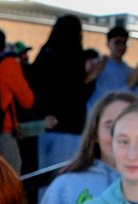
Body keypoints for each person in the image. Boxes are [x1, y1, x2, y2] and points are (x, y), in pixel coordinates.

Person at [34, 90, 138, 204]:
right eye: (111, 126)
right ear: (95, 134)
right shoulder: (65, 188)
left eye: (130, 125)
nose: (120, 135)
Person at [31, 15, 98, 171]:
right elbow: (77, 94)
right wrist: (91, 77)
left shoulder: (45, 54)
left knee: (44, 176)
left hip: (44, 126)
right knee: (64, 174)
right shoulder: (75, 57)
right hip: (70, 128)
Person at [0, 28, 35, 172]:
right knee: (10, 177)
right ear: (3, 45)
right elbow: (27, 100)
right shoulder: (8, 64)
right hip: (2, 131)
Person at [86, 25, 138, 109]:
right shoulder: (98, 65)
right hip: (97, 112)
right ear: (108, 44)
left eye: (124, 43)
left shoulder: (129, 70)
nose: (121, 47)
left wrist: (135, 80)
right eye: (117, 42)